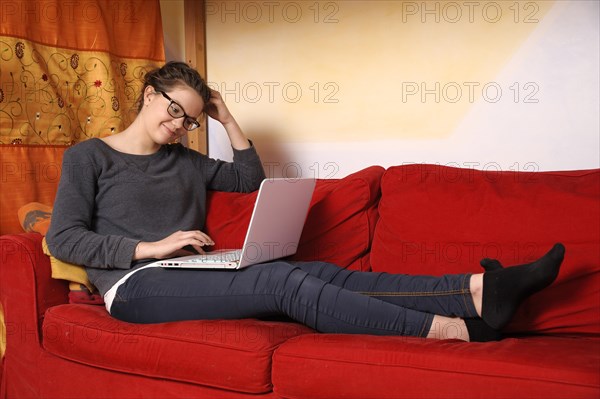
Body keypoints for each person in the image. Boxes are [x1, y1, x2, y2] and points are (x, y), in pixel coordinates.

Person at [46, 61, 565, 342]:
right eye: (177, 111)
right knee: (282, 280)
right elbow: (62, 236)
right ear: (149, 93)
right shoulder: (89, 157)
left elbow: (249, 179)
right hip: (135, 290)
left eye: (191, 119)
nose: (181, 125)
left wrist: (226, 120)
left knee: (322, 272)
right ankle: (454, 330)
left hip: (191, 271)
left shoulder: (185, 161)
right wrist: (150, 247)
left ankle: (477, 290)